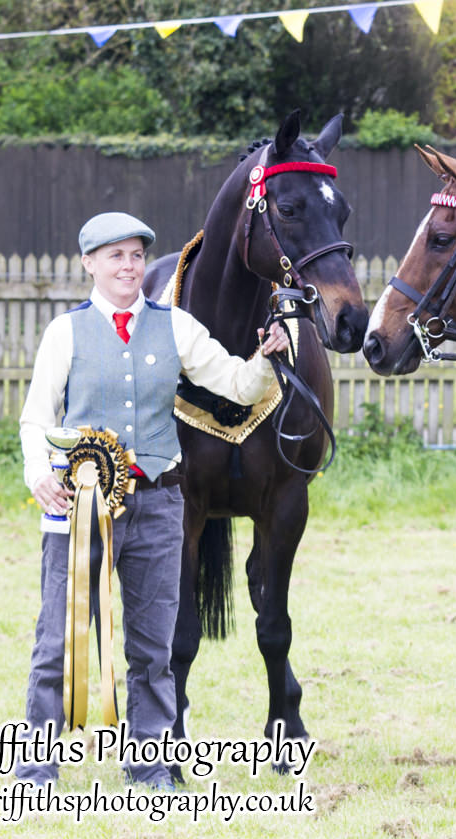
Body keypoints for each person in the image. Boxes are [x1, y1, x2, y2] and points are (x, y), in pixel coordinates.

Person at [16, 212, 290, 790]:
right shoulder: (63, 333)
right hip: (81, 507)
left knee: (154, 645)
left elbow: (239, 386)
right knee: (57, 641)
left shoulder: (178, 327)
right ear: (89, 263)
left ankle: (151, 767)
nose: (129, 266)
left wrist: (267, 355)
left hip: (161, 506)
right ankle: (36, 768)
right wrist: (38, 472)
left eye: (137, 255)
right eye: (115, 256)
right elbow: (37, 415)